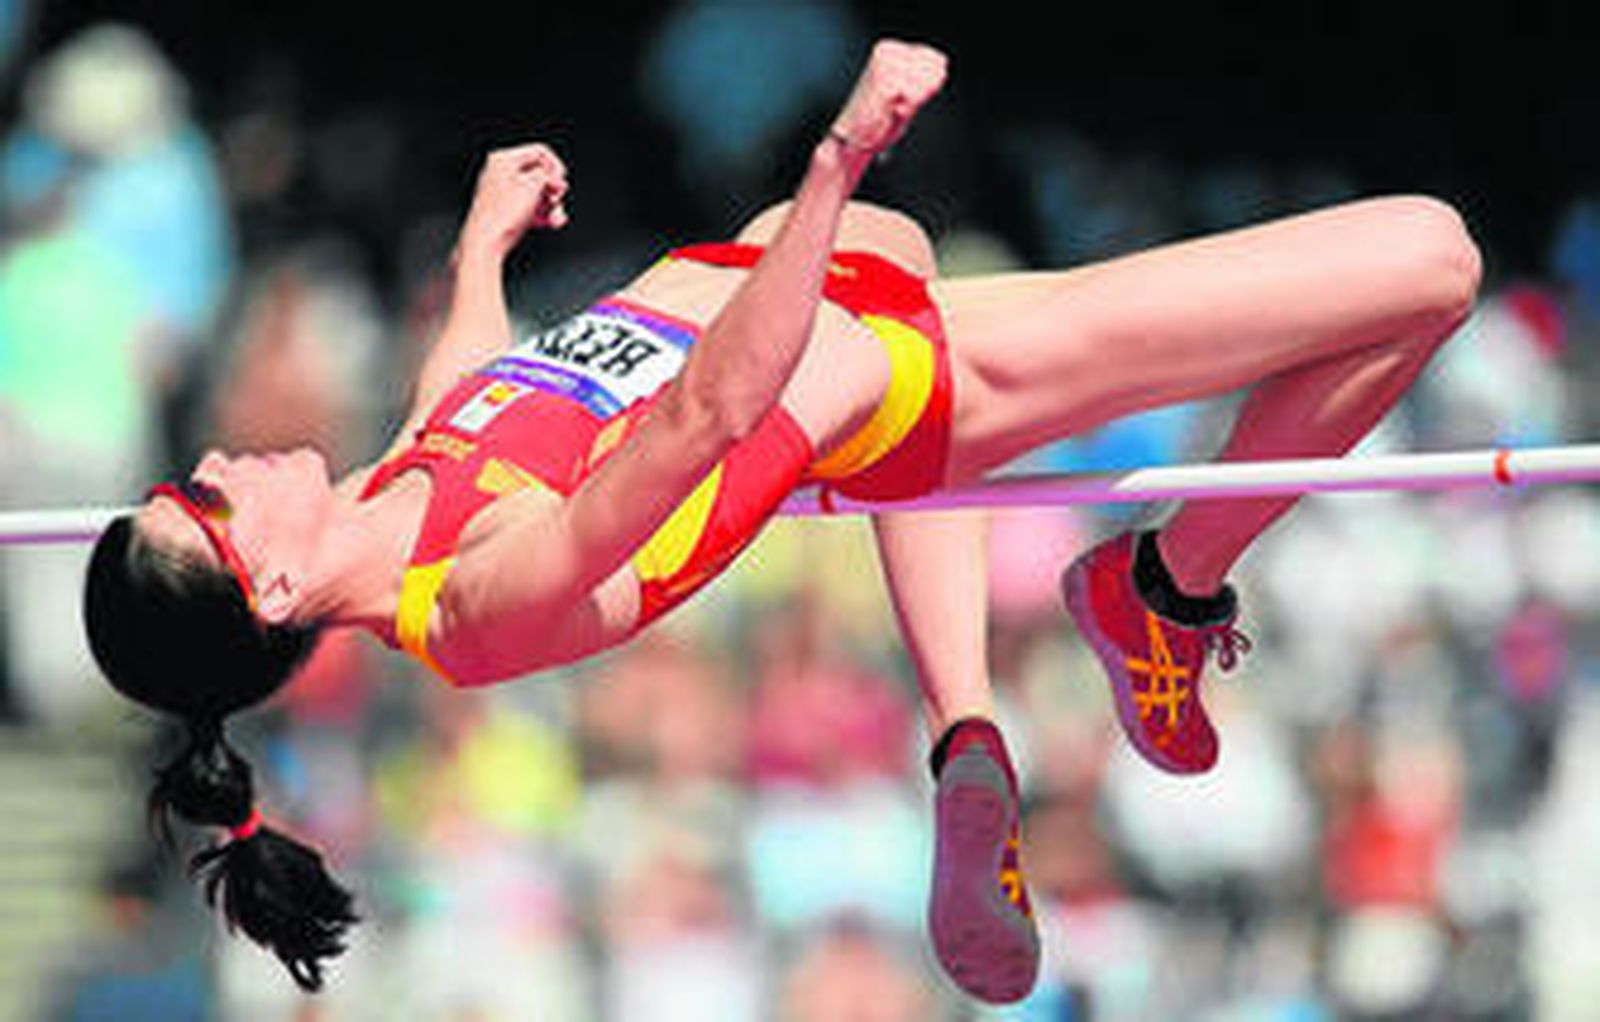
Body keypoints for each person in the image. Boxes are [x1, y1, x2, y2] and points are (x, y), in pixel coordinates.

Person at [80, 39, 1482, 1005]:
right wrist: (840, 158)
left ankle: (966, 731)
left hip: (809, 288)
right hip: (917, 372)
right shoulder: (472, 604)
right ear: (261, 581)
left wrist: (479, 250)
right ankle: (1164, 586)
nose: (216, 451)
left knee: (908, 261)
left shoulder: (388, 503)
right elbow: (707, 414)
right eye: (203, 497)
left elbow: (470, 390)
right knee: (1431, 255)